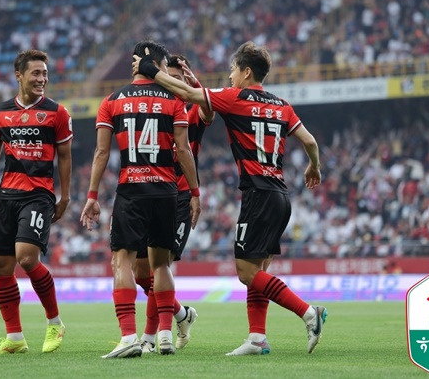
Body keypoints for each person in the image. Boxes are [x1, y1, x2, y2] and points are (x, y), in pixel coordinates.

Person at [134, 41, 327, 355]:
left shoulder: (236, 98)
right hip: (280, 194)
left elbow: (187, 95)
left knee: (246, 272)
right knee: (258, 270)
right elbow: (310, 140)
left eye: (233, 71)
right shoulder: (282, 104)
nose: (230, 77)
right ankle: (257, 339)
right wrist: (314, 167)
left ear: (246, 71)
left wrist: (150, 70)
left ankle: (309, 312)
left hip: (258, 194)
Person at [80, 40, 201, 358]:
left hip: (131, 190)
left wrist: (92, 195)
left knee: (122, 261)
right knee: (161, 265)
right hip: (165, 192)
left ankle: (128, 337)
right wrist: (196, 192)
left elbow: (102, 152)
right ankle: (164, 333)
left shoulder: (111, 101)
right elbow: (184, 150)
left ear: (135, 63)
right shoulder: (174, 101)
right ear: (160, 66)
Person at [0, 49, 72, 355]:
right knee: (0, 265)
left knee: (27, 258)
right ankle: (15, 337)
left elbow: (65, 156)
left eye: (45, 73)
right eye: (36, 73)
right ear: (18, 75)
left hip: (38, 193)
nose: (42, 79)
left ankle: (55, 323)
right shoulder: (0, 112)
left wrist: (66, 195)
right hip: (7, 194)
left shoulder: (57, 113)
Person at [134, 55, 214, 353]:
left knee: (160, 266)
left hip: (178, 196)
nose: (174, 82)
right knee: (142, 272)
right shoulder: (153, 107)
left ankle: (153, 336)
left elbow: (209, 112)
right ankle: (181, 313)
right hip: (147, 192)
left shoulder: (191, 110)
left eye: (179, 77)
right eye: (171, 76)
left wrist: (196, 85)